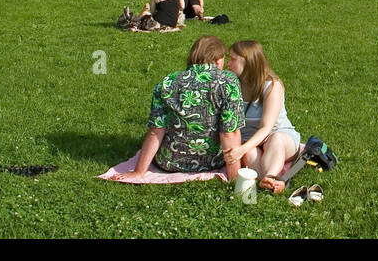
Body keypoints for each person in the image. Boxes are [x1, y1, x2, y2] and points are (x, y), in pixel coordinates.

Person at [112, 36, 245, 182]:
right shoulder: (228, 82)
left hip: (169, 162)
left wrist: (139, 171)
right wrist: (234, 176)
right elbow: (229, 133)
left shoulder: (168, 82)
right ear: (219, 60)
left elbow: (155, 131)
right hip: (212, 162)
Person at [225, 40, 300, 194]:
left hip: (279, 137)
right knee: (249, 153)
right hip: (251, 141)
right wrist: (243, 149)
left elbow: (267, 127)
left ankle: (271, 176)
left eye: (233, 59)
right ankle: (270, 182)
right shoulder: (233, 83)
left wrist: (241, 149)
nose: (228, 63)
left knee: (276, 139)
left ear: (248, 62)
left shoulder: (272, 85)